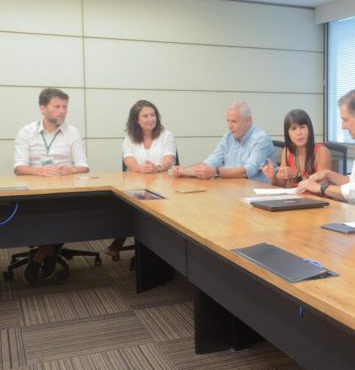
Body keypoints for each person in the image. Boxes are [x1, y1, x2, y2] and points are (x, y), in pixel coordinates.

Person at [14, 88, 89, 283]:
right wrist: (39, 171)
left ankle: (44, 250)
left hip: (65, 188)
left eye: (65, 107)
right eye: (57, 106)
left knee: (63, 210)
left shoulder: (72, 132)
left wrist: (71, 170)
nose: (62, 111)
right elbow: (19, 168)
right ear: (43, 108)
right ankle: (48, 249)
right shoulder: (26, 132)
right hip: (34, 190)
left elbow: (83, 166)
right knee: (38, 213)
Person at [106, 100, 176, 257]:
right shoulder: (129, 138)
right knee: (129, 208)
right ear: (136, 120)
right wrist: (139, 168)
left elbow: (169, 159)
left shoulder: (166, 135)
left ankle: (155, 248)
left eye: (153, 115)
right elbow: (128, 161)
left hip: (162, 184)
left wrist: (157, 167)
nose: (150, 119)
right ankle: (125, 238)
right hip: (137, 185)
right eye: (145, 116)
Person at [172, 101, 273, 182]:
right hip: (232, 189)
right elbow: (210, 163)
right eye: (228, 121)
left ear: (248, 120)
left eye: (234, 121)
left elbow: (249, 170)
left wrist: (216, 172)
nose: (229, 126)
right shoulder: (228, 137)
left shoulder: (261, 138)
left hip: (256, 192)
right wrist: (182, 171)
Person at [262, 109, 332, 187]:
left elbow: (321, 187)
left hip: (315, 195)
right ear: (288, 133)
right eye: (293, 129)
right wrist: (273, 177)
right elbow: (281, 183)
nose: (298, 133)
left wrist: (297, 175)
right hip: (294, 194)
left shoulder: (322, 152)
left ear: (309, 129)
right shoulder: (287, 151)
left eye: (302, 127)